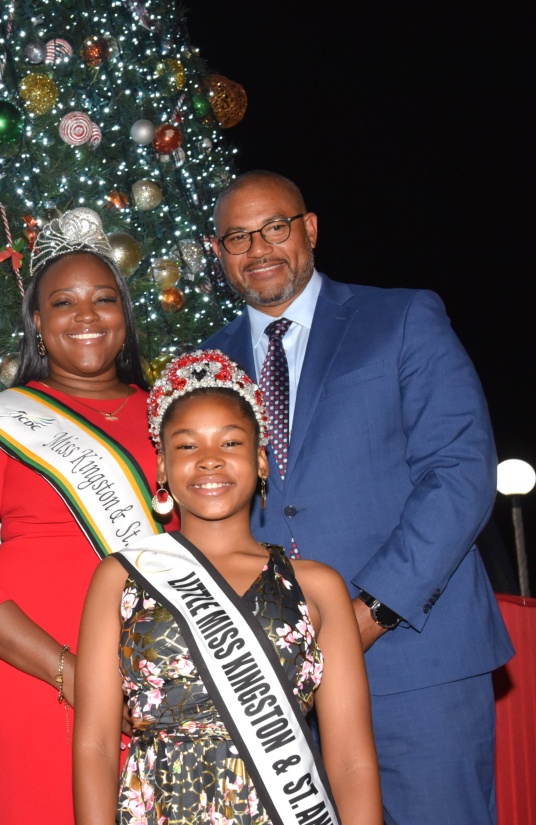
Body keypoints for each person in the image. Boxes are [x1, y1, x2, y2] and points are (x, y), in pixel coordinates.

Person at [203, 170, 513, 823]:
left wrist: (366, 614)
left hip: (415, 663)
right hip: (281, 687)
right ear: (218, 252)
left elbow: (459, 472)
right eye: (238, 236)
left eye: (275, 227)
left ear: (309, 229)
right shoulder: (206, 363)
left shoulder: (399, 318)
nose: (259, 247)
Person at [0, 208, 175, 825]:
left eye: (103, 299)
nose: (86, 317)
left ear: (124, 314)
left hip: (162, 686)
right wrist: (71, 674)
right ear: (38, 323)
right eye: (64, 303)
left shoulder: (172, 419)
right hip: (35, 684)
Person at [74, 349, 382, 824]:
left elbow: (352, 761)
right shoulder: (121, 576)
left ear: (260, 461)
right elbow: (94, 744)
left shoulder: (317, 586)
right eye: (187, 445)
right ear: (161, 467)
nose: (210, 461)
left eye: (231, 443)